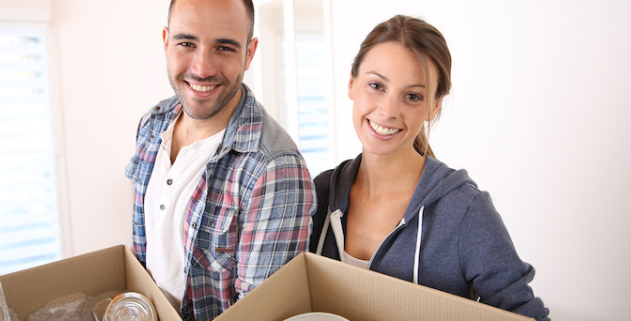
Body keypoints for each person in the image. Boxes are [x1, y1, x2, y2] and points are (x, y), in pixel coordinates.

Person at [309, 15, 550, 320]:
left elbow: (527, 315)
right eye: (376, 85)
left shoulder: (464, 210)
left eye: (412, 96)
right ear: (352, 83)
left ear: (434, 105)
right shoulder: (321, 191)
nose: (388, 111)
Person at [124, 0, 316, 320]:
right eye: (187, 43)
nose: (201, 68)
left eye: (224, 47)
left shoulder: (274, 170)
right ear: (165, 41)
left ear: (249, 54)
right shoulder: (153, 123)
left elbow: (258, 315)